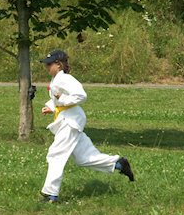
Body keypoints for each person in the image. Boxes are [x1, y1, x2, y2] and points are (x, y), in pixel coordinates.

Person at [39, 49, 134, 203]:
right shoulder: (56, 79)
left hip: (70, 122)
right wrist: (52, 106)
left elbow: (81, 95)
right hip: (67, 118)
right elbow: (58, 98)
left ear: (58, 64)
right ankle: (119, 164)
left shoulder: (65, 78)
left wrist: (61, 101)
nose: (46, 67)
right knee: (83, 158)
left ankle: (51, 195)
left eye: (49, 64)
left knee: (55, 154)